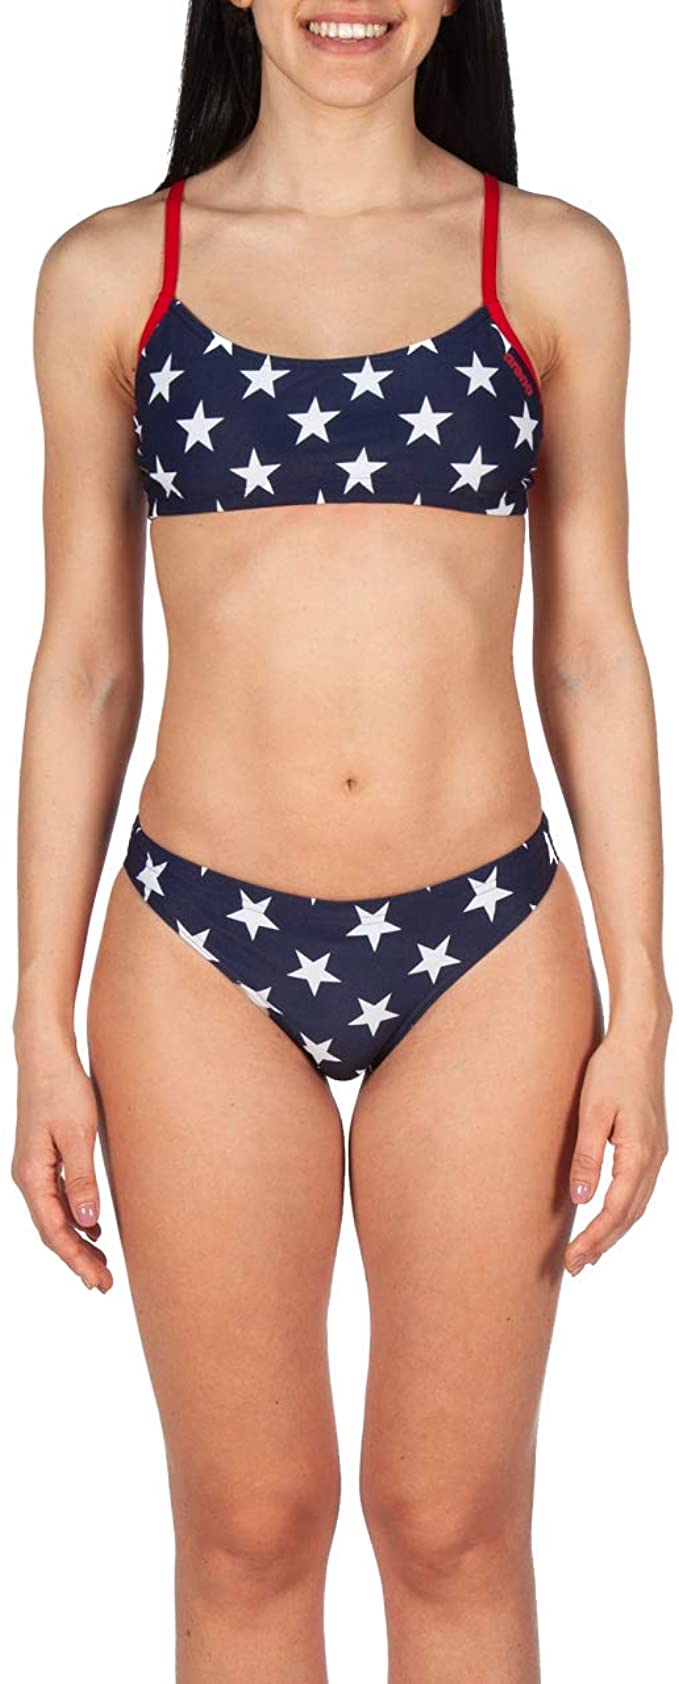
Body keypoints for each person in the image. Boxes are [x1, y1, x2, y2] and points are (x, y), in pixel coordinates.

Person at [11, 3, 671, 1681]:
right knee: (249, 1529)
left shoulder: (552, 264)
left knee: (452, 1528)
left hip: (490, 946)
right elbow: (84, 664)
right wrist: (37, 1018)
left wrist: (645, 998)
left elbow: (591, 647)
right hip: (197, 950)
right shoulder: (114, 274)